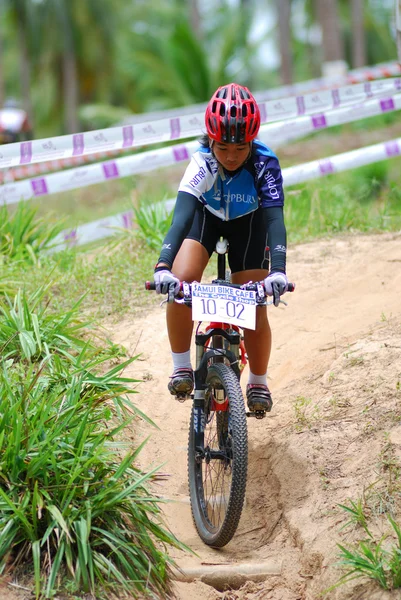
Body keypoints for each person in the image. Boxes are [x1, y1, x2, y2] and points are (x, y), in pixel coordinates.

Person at [153, 83, 288, 412]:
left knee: (255, 301)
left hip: (250, 225)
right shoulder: (201, 162)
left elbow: (274, 221)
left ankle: (258, 382)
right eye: (223, 148)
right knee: (181, 283)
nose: (230, 156)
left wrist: (279, 270)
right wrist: (162, 265)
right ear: (211, 140)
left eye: (240, 148)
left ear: (252, 141)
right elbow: (182, 217)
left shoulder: (264, 163)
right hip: (205, 220)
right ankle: (181, 365)